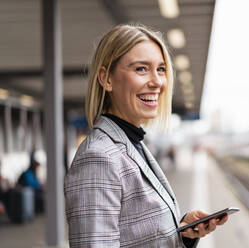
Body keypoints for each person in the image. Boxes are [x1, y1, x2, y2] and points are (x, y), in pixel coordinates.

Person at [64, 24, 228, 247]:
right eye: (141, 69)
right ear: (106, 79)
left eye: (161, 69)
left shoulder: (132, 143)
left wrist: (180, 233)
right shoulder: (98, 157)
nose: (157, 82)